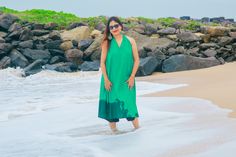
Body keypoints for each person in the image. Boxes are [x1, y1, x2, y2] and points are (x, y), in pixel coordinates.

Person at [98, 16, 140, 133]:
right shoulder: (107, 43)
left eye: (116, 25)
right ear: (109, 29)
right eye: (111, 27)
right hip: (110, 80)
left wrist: (132, 77)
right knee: (112, 108)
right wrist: (106, 79)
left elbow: (136, 60)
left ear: (121, 26)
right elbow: (102, 62)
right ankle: (114, 134)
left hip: (126, 79)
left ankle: (139, 132)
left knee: (130, 105)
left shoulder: (131, 41)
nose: (114, 28)